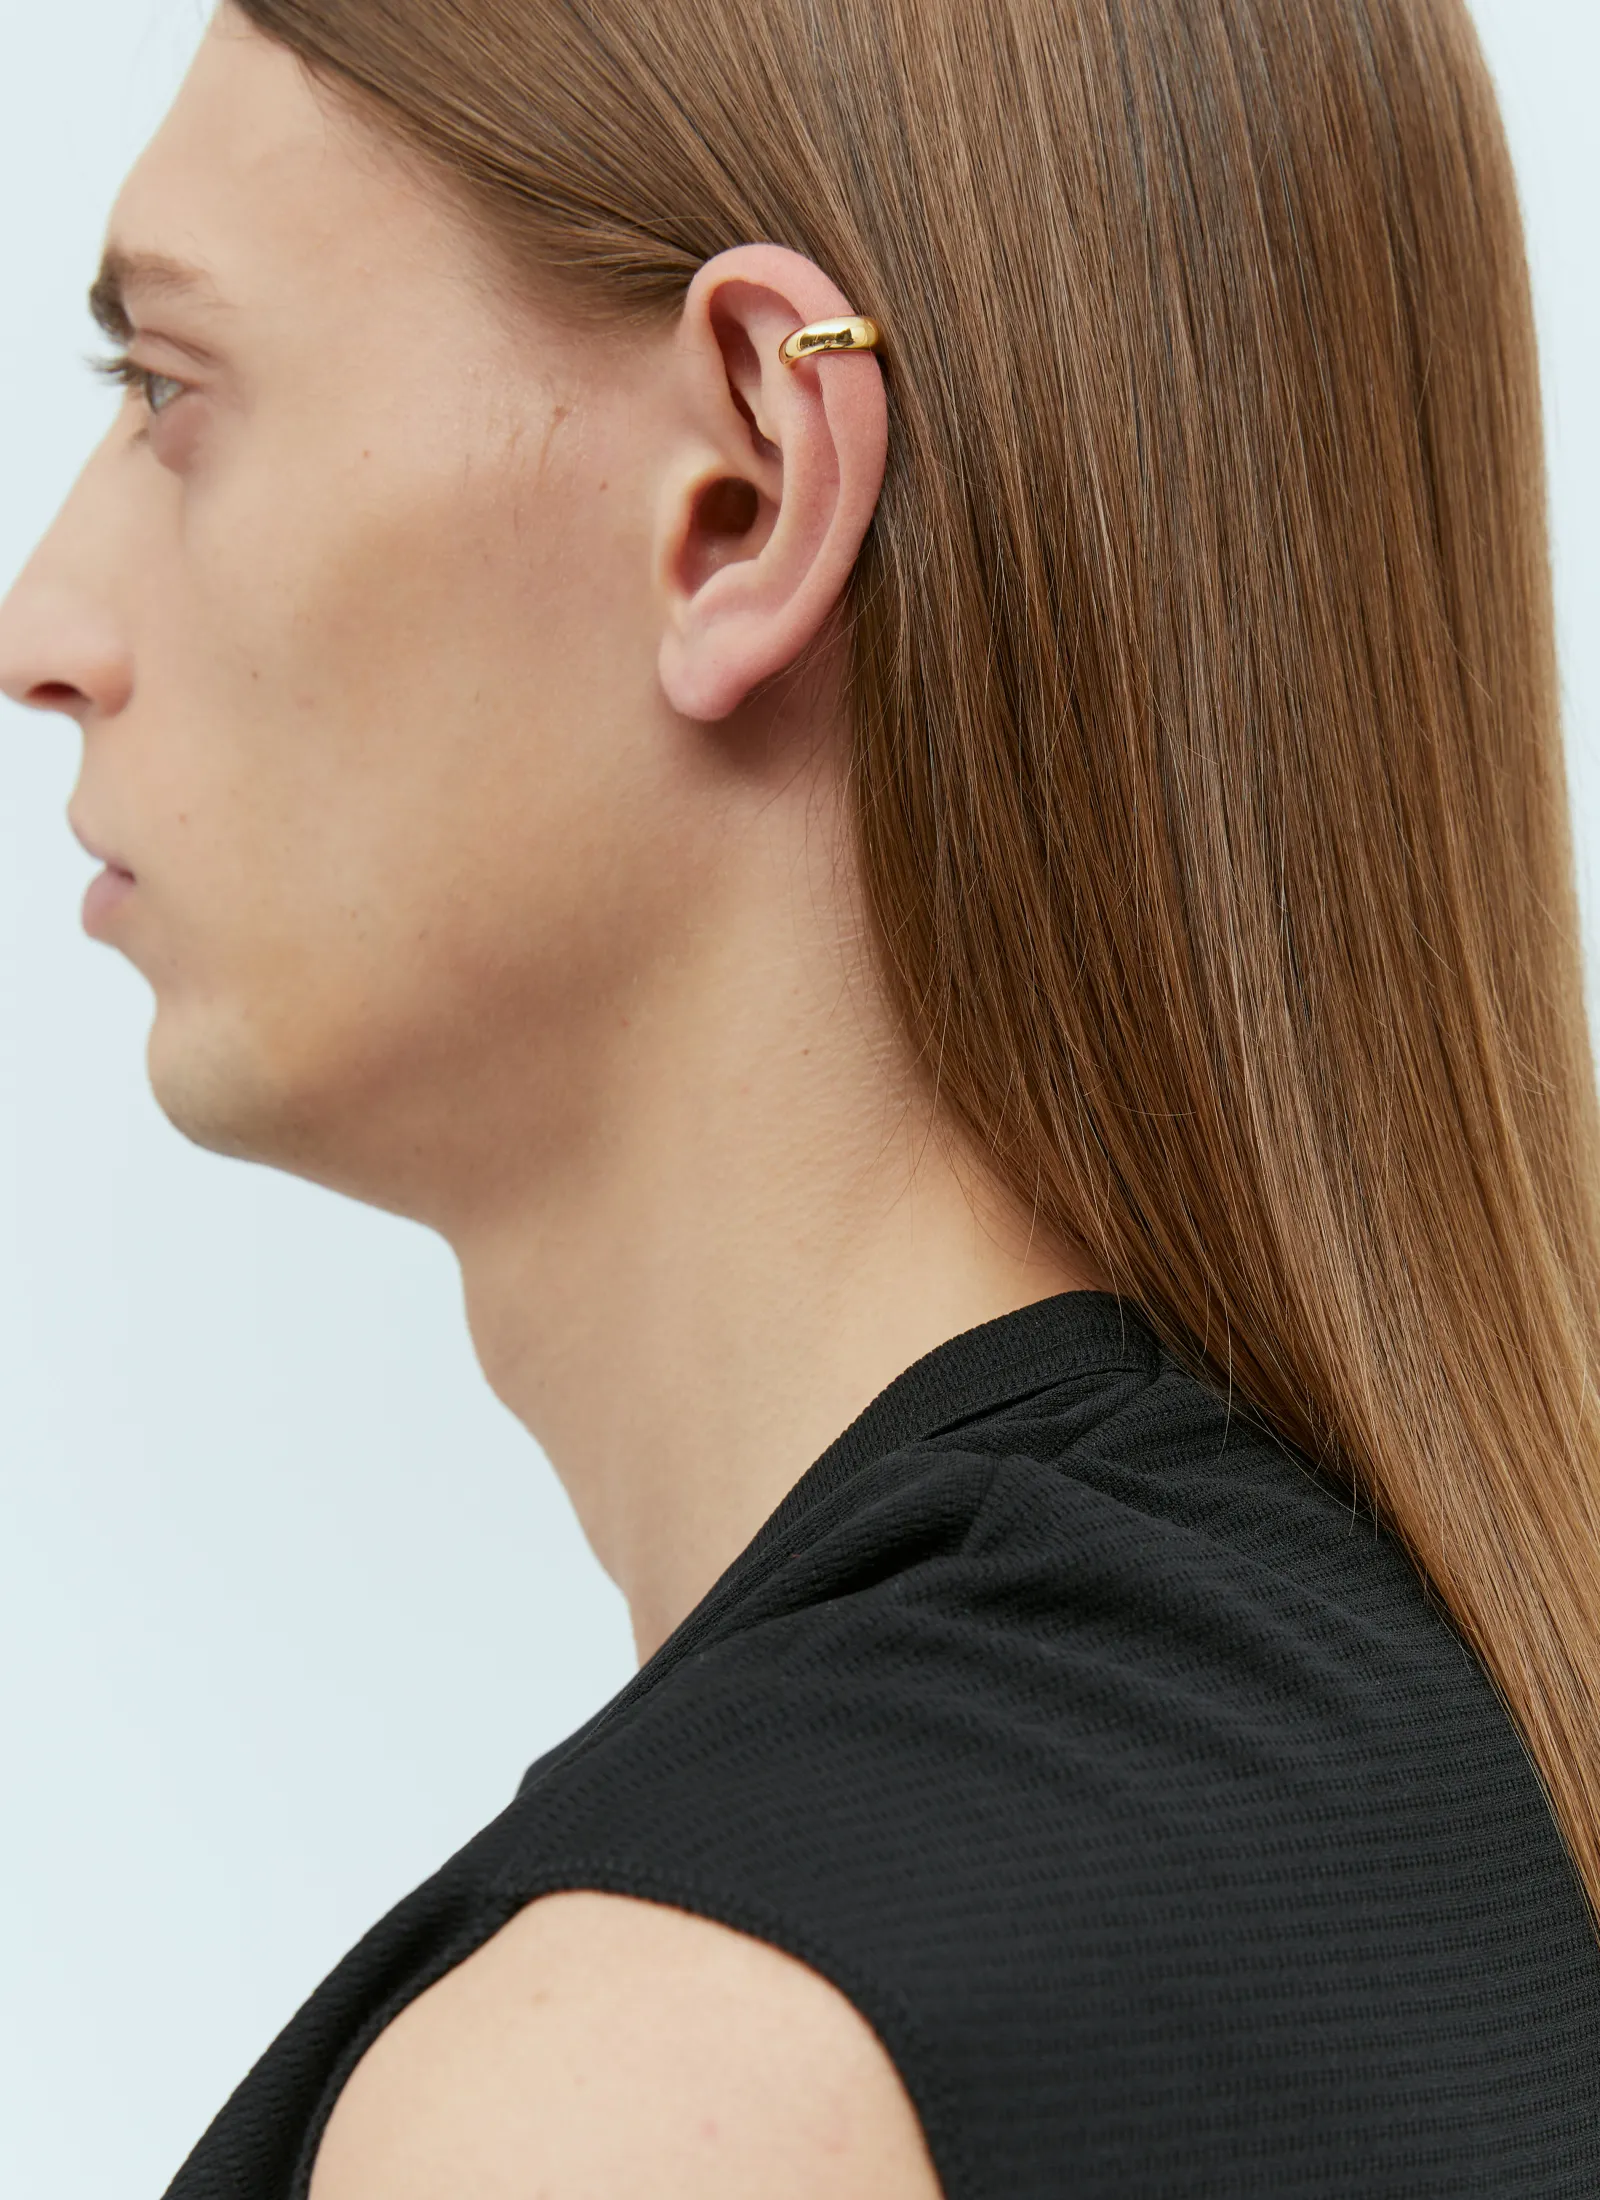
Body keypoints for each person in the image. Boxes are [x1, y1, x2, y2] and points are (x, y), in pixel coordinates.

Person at [3, 0, 1598, 2190]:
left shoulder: (652, 2088)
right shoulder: (1456, 1782)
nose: (43, 629)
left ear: (747, 492)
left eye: (172, 388)